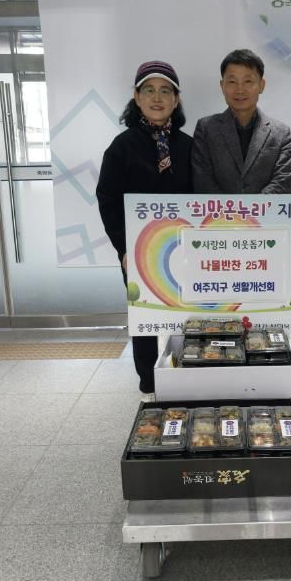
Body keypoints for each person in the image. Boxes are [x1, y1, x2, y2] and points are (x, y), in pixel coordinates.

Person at [96, 61, 192, 402]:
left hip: (185, 249)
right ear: (136, 98)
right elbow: (108, 200)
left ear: (176, 100)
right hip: (137, 251)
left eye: (165, 91)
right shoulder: (121, 147)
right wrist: (123, 249)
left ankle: (186, 375)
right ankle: (149, 385)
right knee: (145, 319)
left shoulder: (189, 146)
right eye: (149, 90)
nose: (157, 98)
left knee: (186, 313)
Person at [192, 48, 291, 193]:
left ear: (261, 85)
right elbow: (203, 180)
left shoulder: (281, 133)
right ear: (222, 86)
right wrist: (229, 207)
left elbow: (283, 181)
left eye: (248, 81)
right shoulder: (206, 128)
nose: (240, 90)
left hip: (265, 208)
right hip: (219, 209)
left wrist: (251, 206)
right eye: (232, 81)